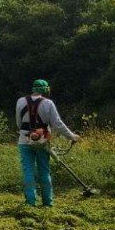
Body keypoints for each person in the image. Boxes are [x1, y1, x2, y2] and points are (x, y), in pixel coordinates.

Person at [15, 79, 79, 207]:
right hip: (42, 141)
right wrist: (71, 136)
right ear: (45, 90)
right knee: (44, 170)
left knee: (28, 171)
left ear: (33, 89)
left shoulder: (20, 101)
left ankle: (30, 203)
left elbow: (18, 122)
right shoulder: (48, 103)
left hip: (24, 140)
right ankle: (47, 203)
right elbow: (57, 124)